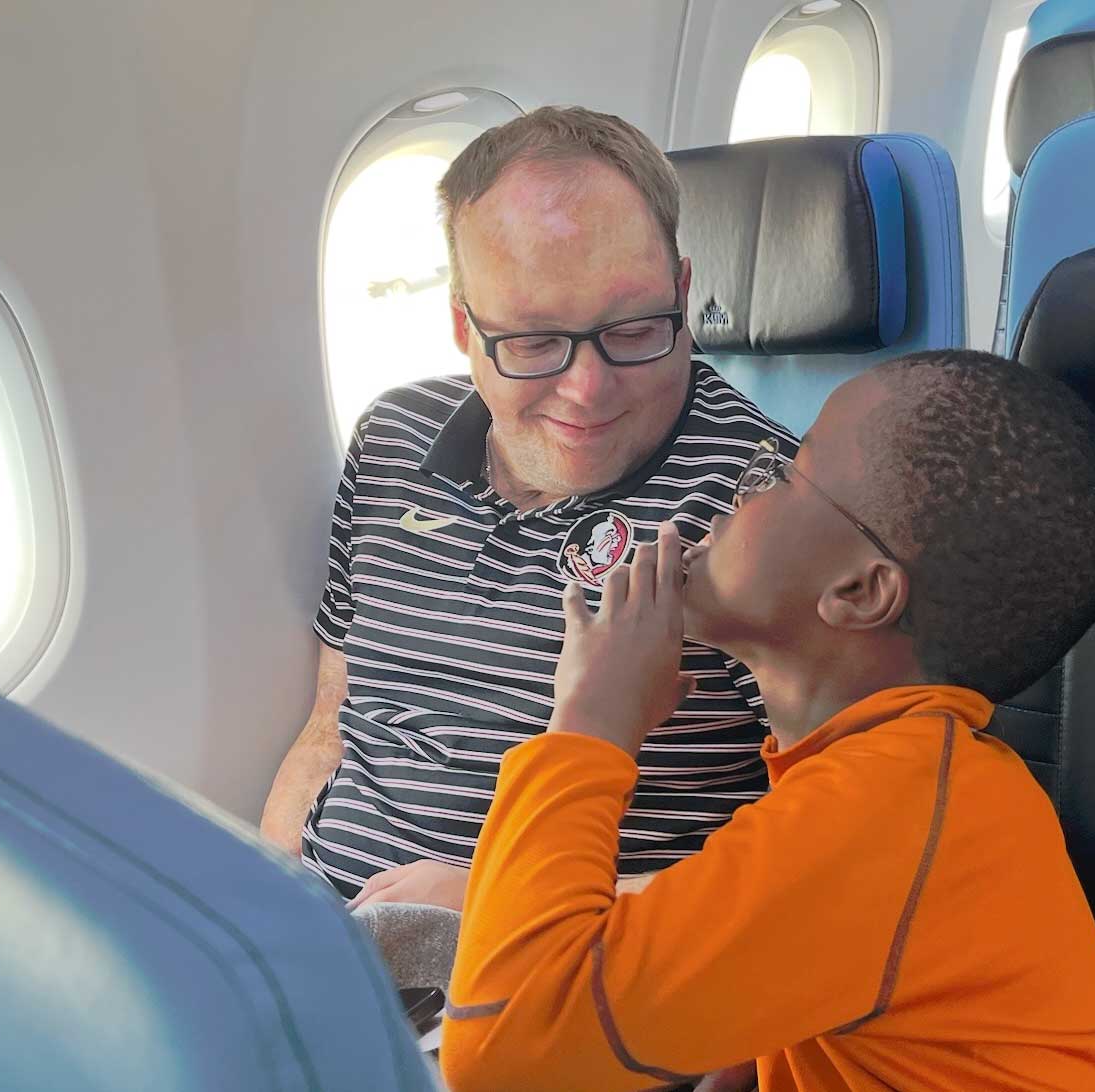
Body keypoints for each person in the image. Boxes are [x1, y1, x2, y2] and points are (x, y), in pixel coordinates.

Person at [441, 350, 1095, 1092]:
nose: (741, 490)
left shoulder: (889, 810)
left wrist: (587, 725)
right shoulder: (885, 777)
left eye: (783, 472)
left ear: (859, 591)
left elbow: (504, 1053)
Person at [258, 106, 794, 907]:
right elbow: (331, 719)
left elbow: (823, 862)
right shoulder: (392, 439)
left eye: (635, 326)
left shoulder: (771, 504)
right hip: (336, 948)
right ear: (460, 325)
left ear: (683, 291)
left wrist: (507, 903)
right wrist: (270, 907)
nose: (587, 389)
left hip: (572, 978)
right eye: (534, 342)